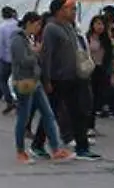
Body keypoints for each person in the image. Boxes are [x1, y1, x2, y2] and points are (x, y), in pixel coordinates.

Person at [39, 0, 101, 161]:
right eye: (69, 9)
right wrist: (46, 79)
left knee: (77, 112)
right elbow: (46, 56)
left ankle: (82, 148)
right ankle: (38, 144)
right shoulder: (51, 29)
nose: (73, 12)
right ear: (59, 11)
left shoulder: (69, 27)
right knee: (51, 112)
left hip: (73, 77)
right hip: (58, 78)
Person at [11, 12, 74, 163]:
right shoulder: (17, 39)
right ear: (29, 23)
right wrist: (36, 53)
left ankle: (56, 149)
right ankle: (20, 151)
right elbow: (22, 60)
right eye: (37, 24)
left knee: (48, 114)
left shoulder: (29, 39)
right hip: (24, 81)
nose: (39, 28)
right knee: (24, 117)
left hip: (36, 81)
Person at [86, 15, 114, 125]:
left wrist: (112, 74)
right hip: (89, 69)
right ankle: (87, 123)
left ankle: (92, 123)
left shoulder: (106, 40)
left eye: (102, 24)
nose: (100, 26)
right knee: (89, 97)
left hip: (102, 69)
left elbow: (111, 57)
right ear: (92, 25)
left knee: (98, 97)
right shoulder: (87, 38)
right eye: (97, 23)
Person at [0, 7, 19, 115]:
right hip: (18, 57)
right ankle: (19, 100)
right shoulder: (18, 25)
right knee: (17, 80)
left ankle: (9, 100)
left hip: (6, 58)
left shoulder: (1, 28)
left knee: (3, 80)